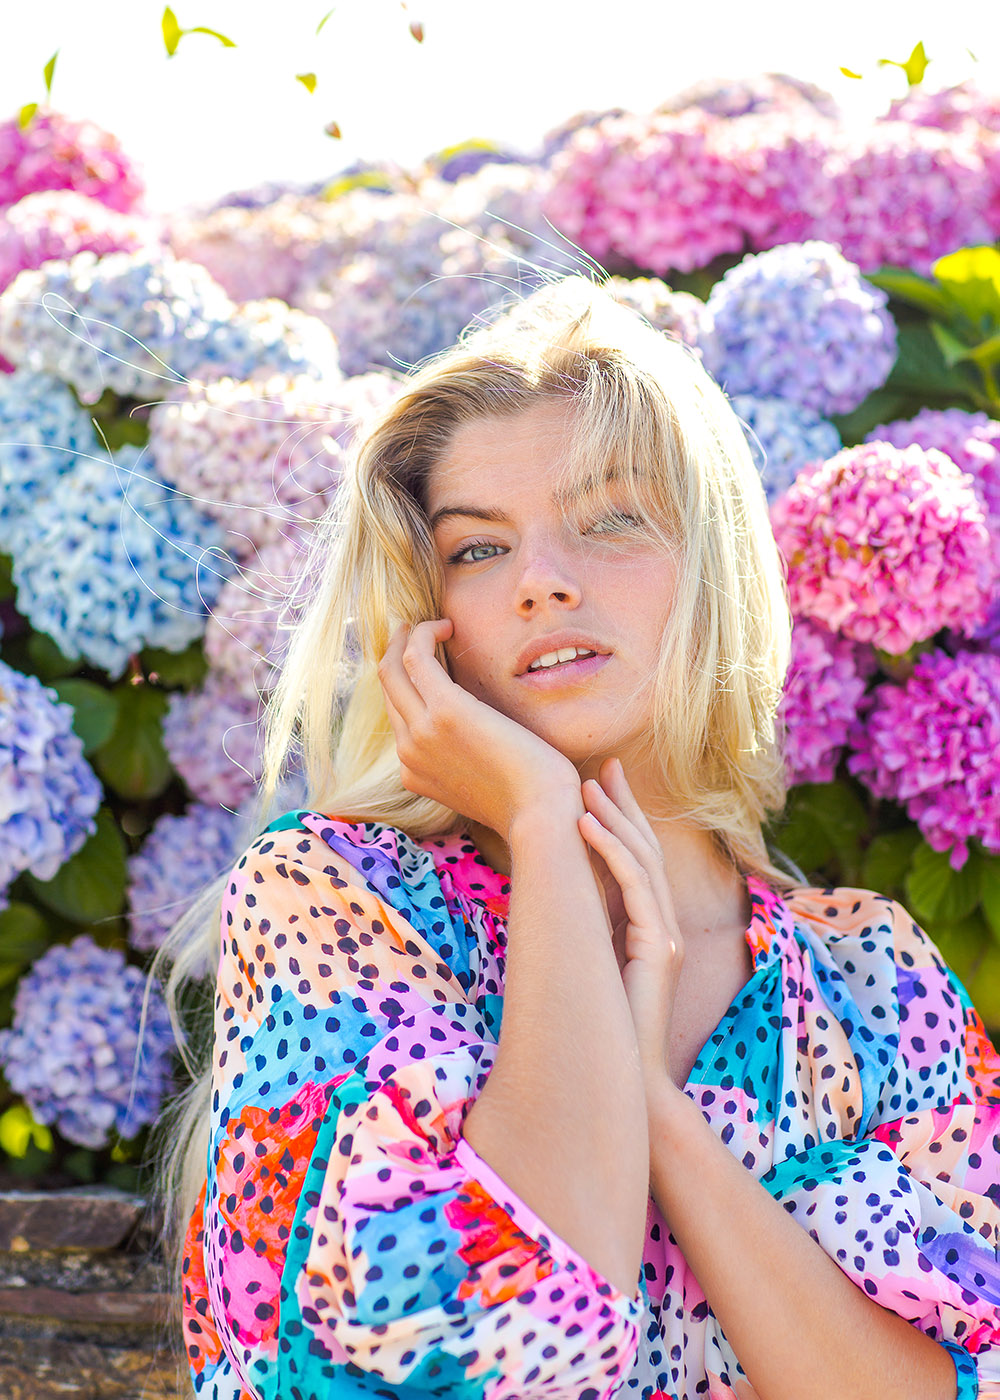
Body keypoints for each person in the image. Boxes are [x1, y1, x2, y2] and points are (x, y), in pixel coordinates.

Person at [157, 275, 1000, 1400]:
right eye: (476, 550)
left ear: (711, 563)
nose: (544, 582)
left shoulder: (870, 980)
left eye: (608, 521)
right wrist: (544, 831)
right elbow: (498, 1349)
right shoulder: (338, 902)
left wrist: (654, 1105)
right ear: (425, 617)